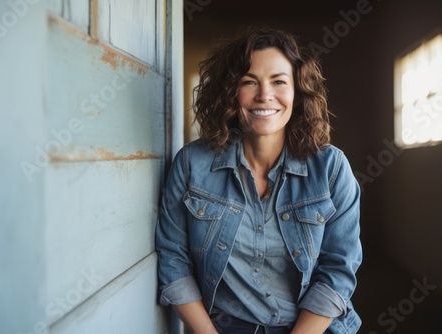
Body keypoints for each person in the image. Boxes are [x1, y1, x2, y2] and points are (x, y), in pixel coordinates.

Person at [155, 28, 362, 334]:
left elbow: (339, 270)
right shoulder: (191, 164)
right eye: (249, 82)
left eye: (279, 81)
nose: (265, 95)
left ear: (297, 92)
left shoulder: (331, 168)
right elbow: (173, 260)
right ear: (229, 91)